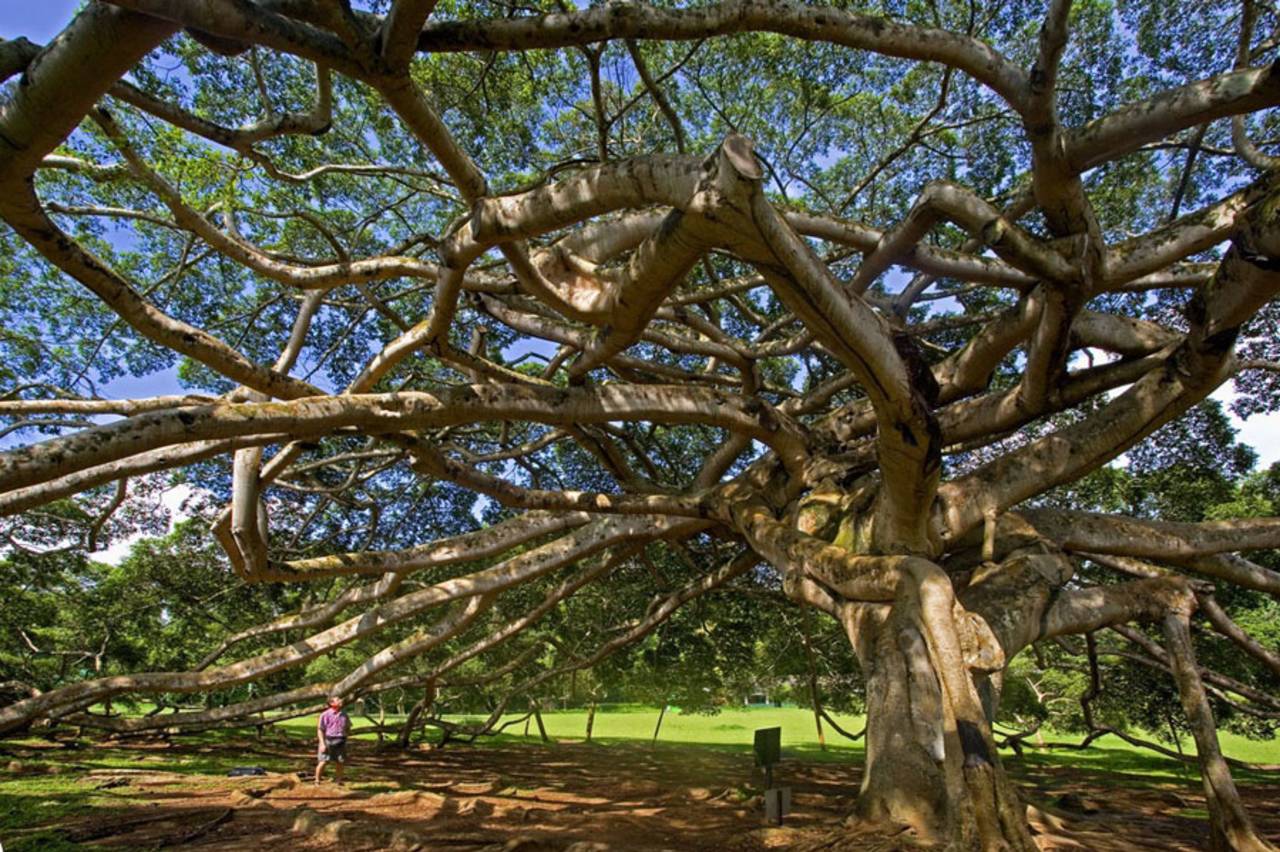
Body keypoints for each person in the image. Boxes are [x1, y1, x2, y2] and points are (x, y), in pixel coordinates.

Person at [314, 695, 351, 785]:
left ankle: (338, 781)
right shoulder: (325, 715)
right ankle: (317, 781)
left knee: (340, 761)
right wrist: (322, 743)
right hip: (328, 740)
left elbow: (348, 726)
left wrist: (346, 735)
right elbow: (320, 730)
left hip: (341, 741)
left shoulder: (344, 714)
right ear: (331, 703)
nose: (340, 700)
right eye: (337, 700)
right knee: (323, 761)